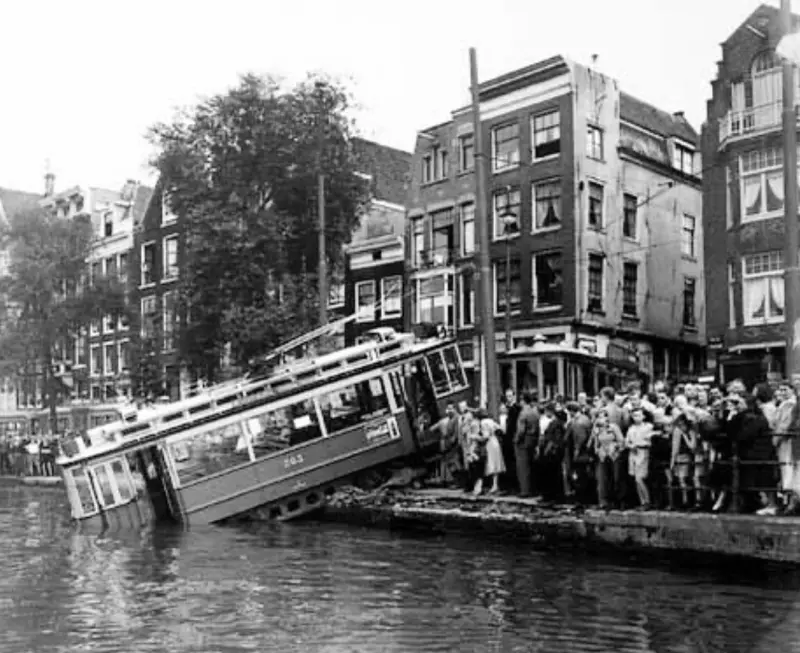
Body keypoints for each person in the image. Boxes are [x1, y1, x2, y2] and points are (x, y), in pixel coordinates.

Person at [589, 408, 624, 510]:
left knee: (616, 477)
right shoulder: (597, 429)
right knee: (603, 478)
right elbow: (595, 444)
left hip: (614, 454)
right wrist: (597, 449)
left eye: (604, 416)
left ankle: (619, 501)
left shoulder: (613, 427)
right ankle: (606, 502)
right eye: (599, 416)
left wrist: (615, 447)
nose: (602, 418)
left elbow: (622, 441)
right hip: (603, 455)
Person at [625, 407, 653, 509]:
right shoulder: (631, 428)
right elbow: (626, 441)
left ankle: (647, 501)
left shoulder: (648, 427)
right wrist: (630, 445)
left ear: (643, 416)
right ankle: (642, 501)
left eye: (638, 415)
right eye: (634, 416)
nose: (636, 418)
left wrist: (637, 444)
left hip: (643, 453)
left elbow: (649, 441)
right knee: (635, 479)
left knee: (639, 478)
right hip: (633, 454)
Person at [515, 391, 540, 498]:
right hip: (533, 440)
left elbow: (521, 430)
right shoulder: (535, 412)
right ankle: (533, 489)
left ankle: (524, 490)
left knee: (522, 467)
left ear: (523, 400)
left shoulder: (523, 413)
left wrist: (516, 440)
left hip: (523, 442)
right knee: (532, 465)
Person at [481, 410, 506, 494]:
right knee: (496, 464)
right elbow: (501, 429)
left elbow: (486, 436)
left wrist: (477, 437)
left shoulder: (483, 422)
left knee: (491, 464)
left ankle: (493, 485)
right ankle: (495, 485)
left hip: (489, 444)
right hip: (495, 442)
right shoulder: (492, 421)